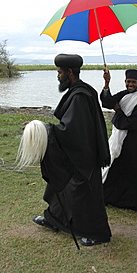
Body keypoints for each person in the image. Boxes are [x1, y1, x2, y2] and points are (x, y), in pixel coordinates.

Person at [25, 54, 111, 246]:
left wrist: (41, 128)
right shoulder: (80, 91)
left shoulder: (80, 96)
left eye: (60, 72)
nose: (58, 76)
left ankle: (99, 234)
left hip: (83, 156)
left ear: (70, 72)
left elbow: (71, 130)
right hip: (79, 151)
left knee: (83, 193)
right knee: (59, 181)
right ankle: (54, 219)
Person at [100, 68, 137, 213]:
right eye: (128, 82)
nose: (130, 84)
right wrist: (107, 83)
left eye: (133, 82)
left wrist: (119, 111)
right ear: (125, 82)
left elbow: (132, 123)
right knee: (116, 168)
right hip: (121, 140)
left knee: (133, 170)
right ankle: (110, 197)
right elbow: (108, 102)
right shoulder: (124, 94)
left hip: (134, 141)